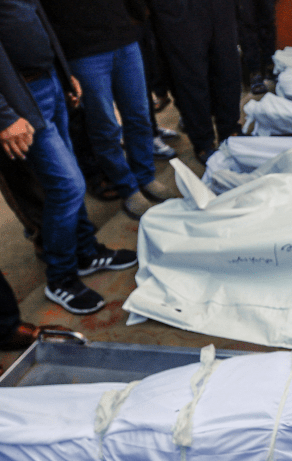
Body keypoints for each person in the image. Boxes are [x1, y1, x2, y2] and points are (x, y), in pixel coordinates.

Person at [0, 0, 138, 314]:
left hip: (47, 82)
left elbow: (38, 17)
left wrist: (63, 75)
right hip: (21, 99)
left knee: (69, 174)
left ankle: (86, 253)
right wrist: (5, 116)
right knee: (67, 186)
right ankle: (60, 278)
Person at [39, 0, 174, 220]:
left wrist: (136, 16)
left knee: (139, 116)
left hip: (124, 39)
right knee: (105, 126)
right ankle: (128, 188)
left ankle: (145, 176)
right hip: (83, 51)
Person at [145, 0, 242, 164]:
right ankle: (204, 141)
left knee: (227, 66)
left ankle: (231, 130)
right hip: (179, 9)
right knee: (190, 76)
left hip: (219, 7)